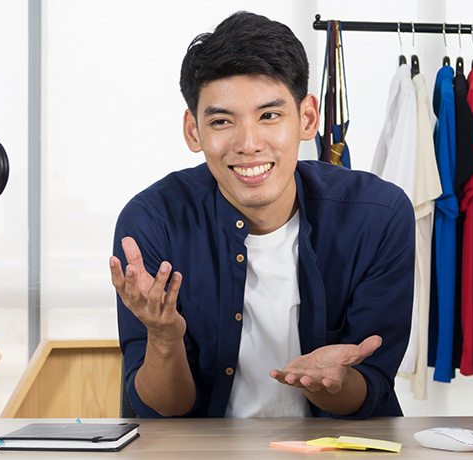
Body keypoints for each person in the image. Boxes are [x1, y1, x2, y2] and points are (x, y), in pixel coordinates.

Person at [109, 11, 414, 419]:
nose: (249, 144)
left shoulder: (378, 216)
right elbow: (162, 413)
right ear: (193, 131)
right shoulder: (152, 223)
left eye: (269, 115)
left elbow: (369, 391)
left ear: (307, 118)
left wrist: (334, 385)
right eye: (221, 121)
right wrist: (164, 338)